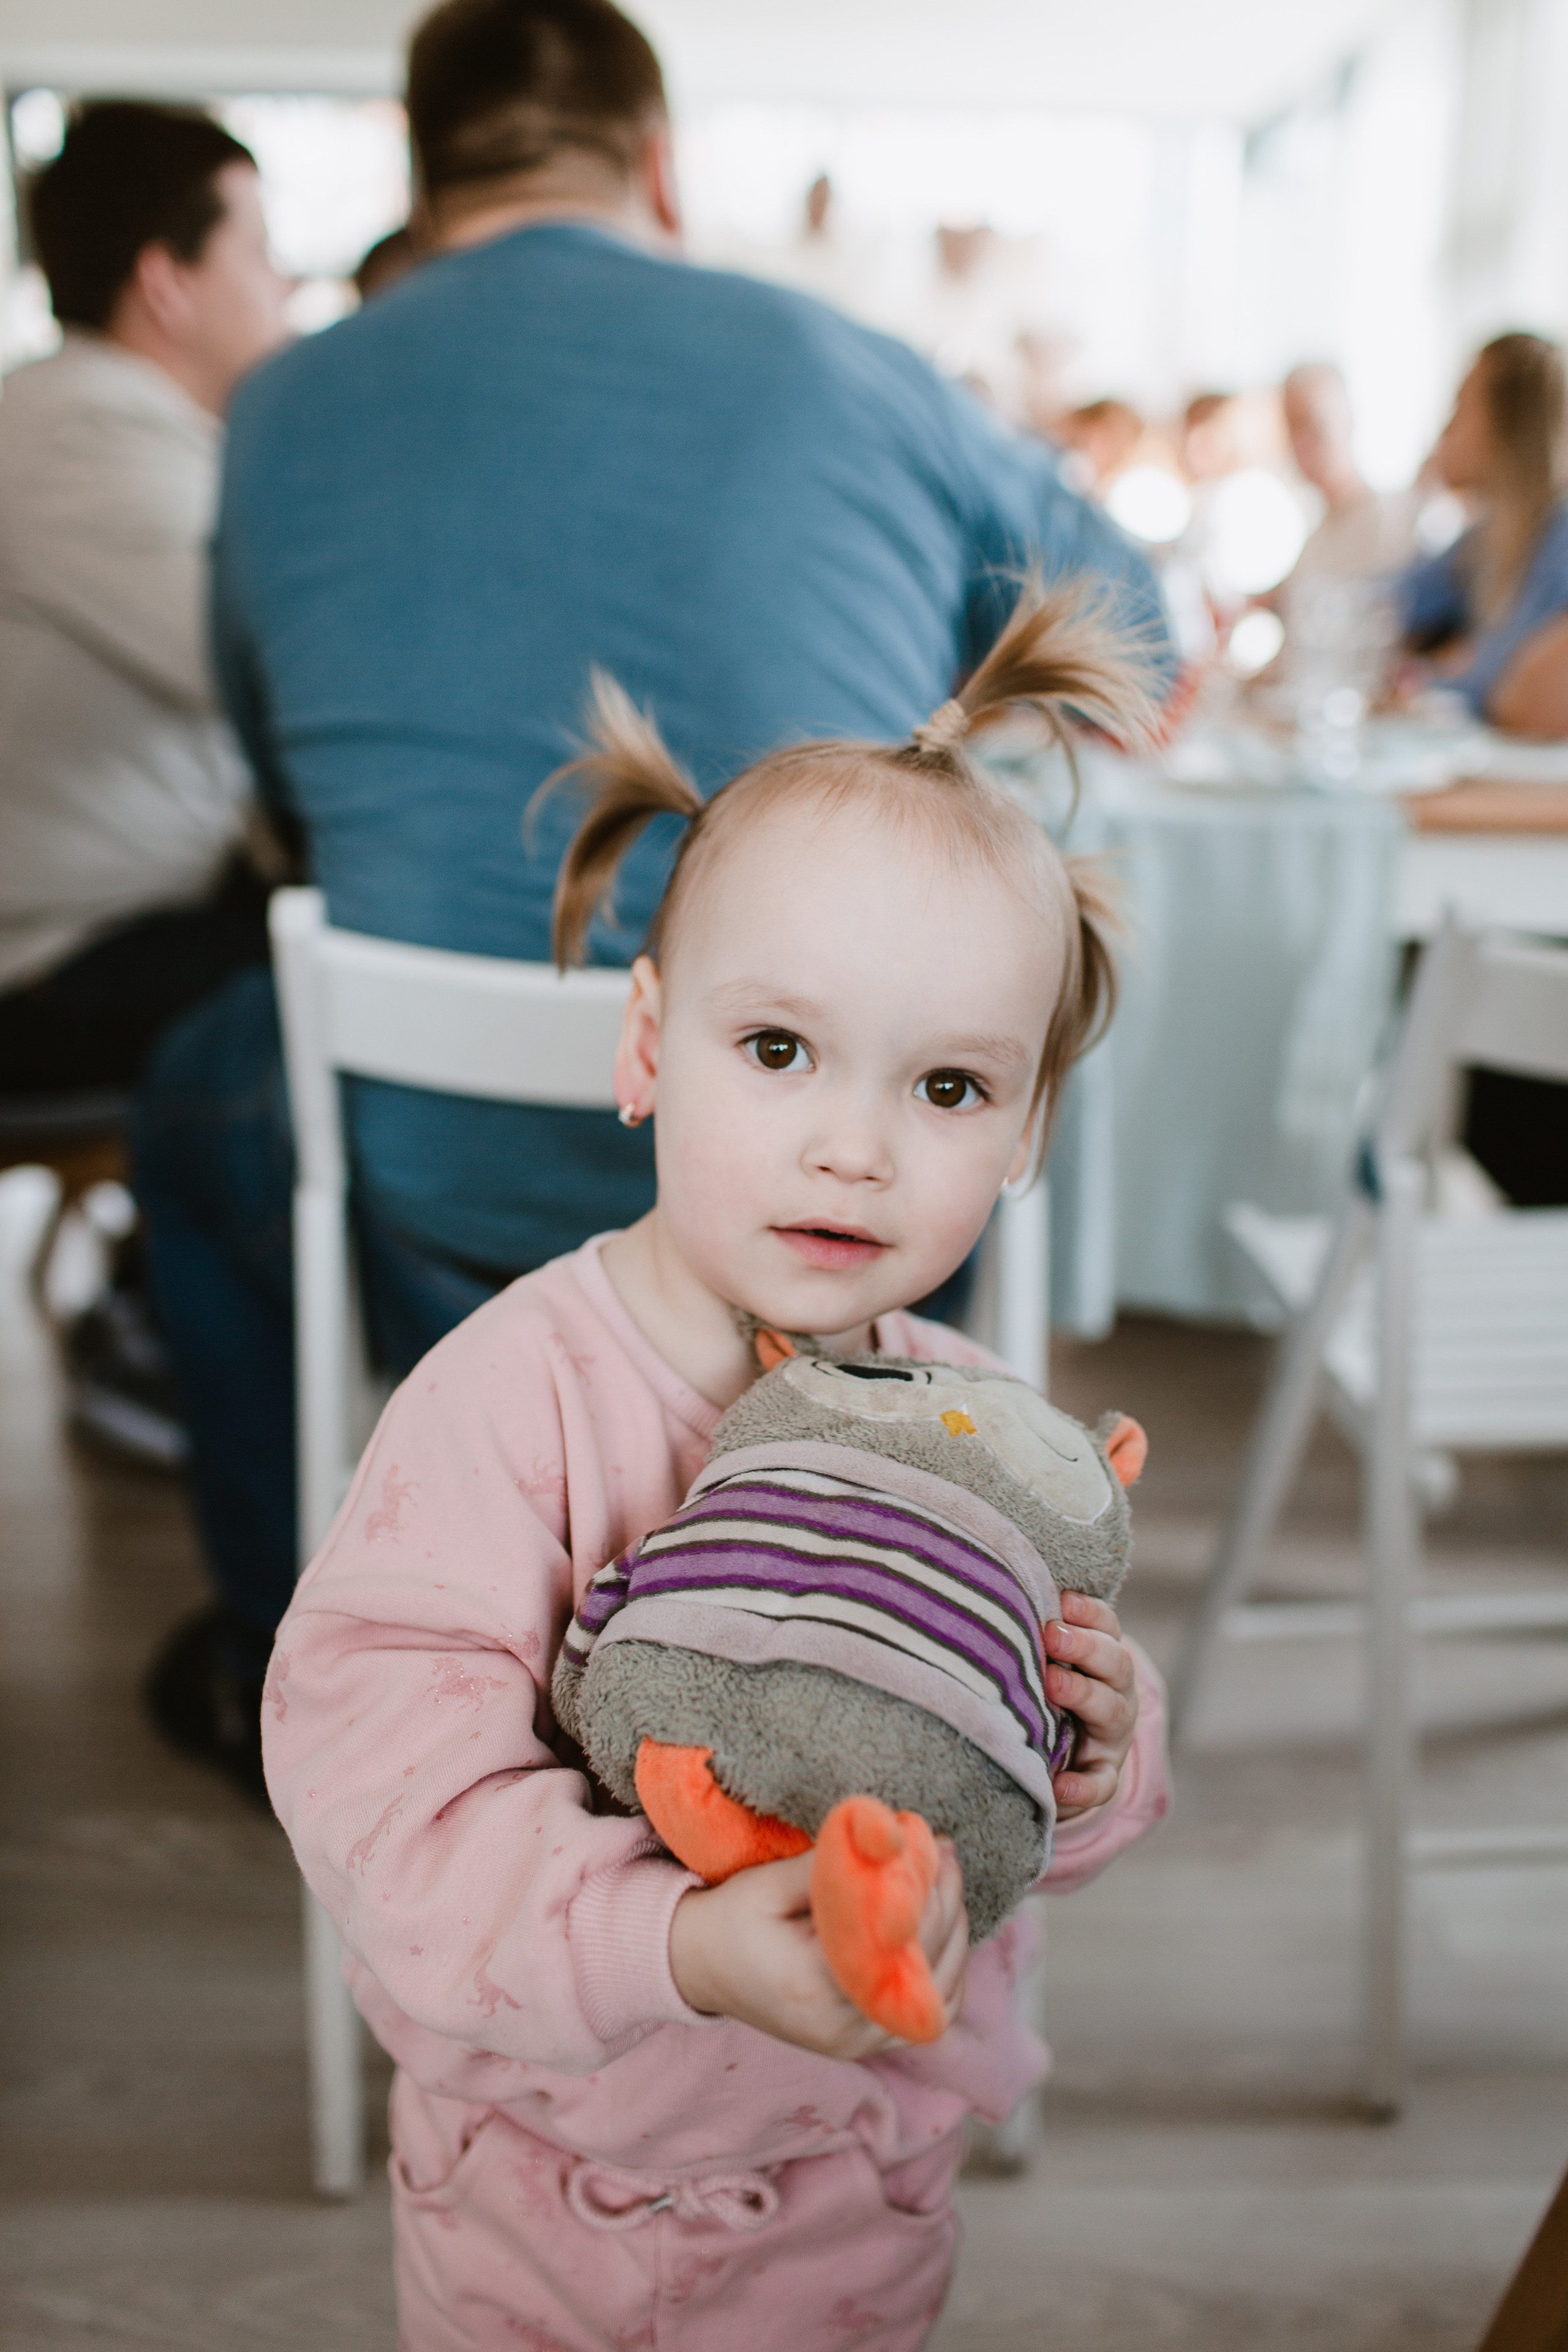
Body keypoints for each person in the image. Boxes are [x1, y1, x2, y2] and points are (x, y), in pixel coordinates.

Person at [131, 0, 1169, 1795]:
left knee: (196, 1109)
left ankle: (284, 1631)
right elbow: (1131, 633)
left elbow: (273, 771)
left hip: (416, 1144)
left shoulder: (286, 395)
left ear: (423, 166)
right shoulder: (852, 361)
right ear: (658, 162)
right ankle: (920, 1576)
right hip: (866, 1192)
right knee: (932, 1055)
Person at [263, 581, 1170, 2351]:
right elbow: (379, 1781)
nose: (855, 1145)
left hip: (853, 2184)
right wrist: (671, 1947)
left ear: (1030, 1126)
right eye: (780, 1052)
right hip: (549, 2185)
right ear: (649, 1041)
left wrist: (1091, 1756)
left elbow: (1004, 1810)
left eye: (950, 1090)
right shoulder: (511, 1398)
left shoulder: (988, 1437)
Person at [0, 102, 292, 1464]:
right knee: (327, 988)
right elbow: (264, 663)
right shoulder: (75, 432)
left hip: (107, 928)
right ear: (168, 279)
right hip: (44, 974)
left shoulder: (125, 431)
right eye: (262, 256)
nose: (282, 293)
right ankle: (164, 1329)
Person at [1400, 332, 1568, 729]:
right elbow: (1391, 602)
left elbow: (1511, 686)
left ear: (1511, 422)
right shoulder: (1485, 540)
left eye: (1460, 407)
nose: (1444, 429)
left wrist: (1425, 678)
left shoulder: (1560, 534)